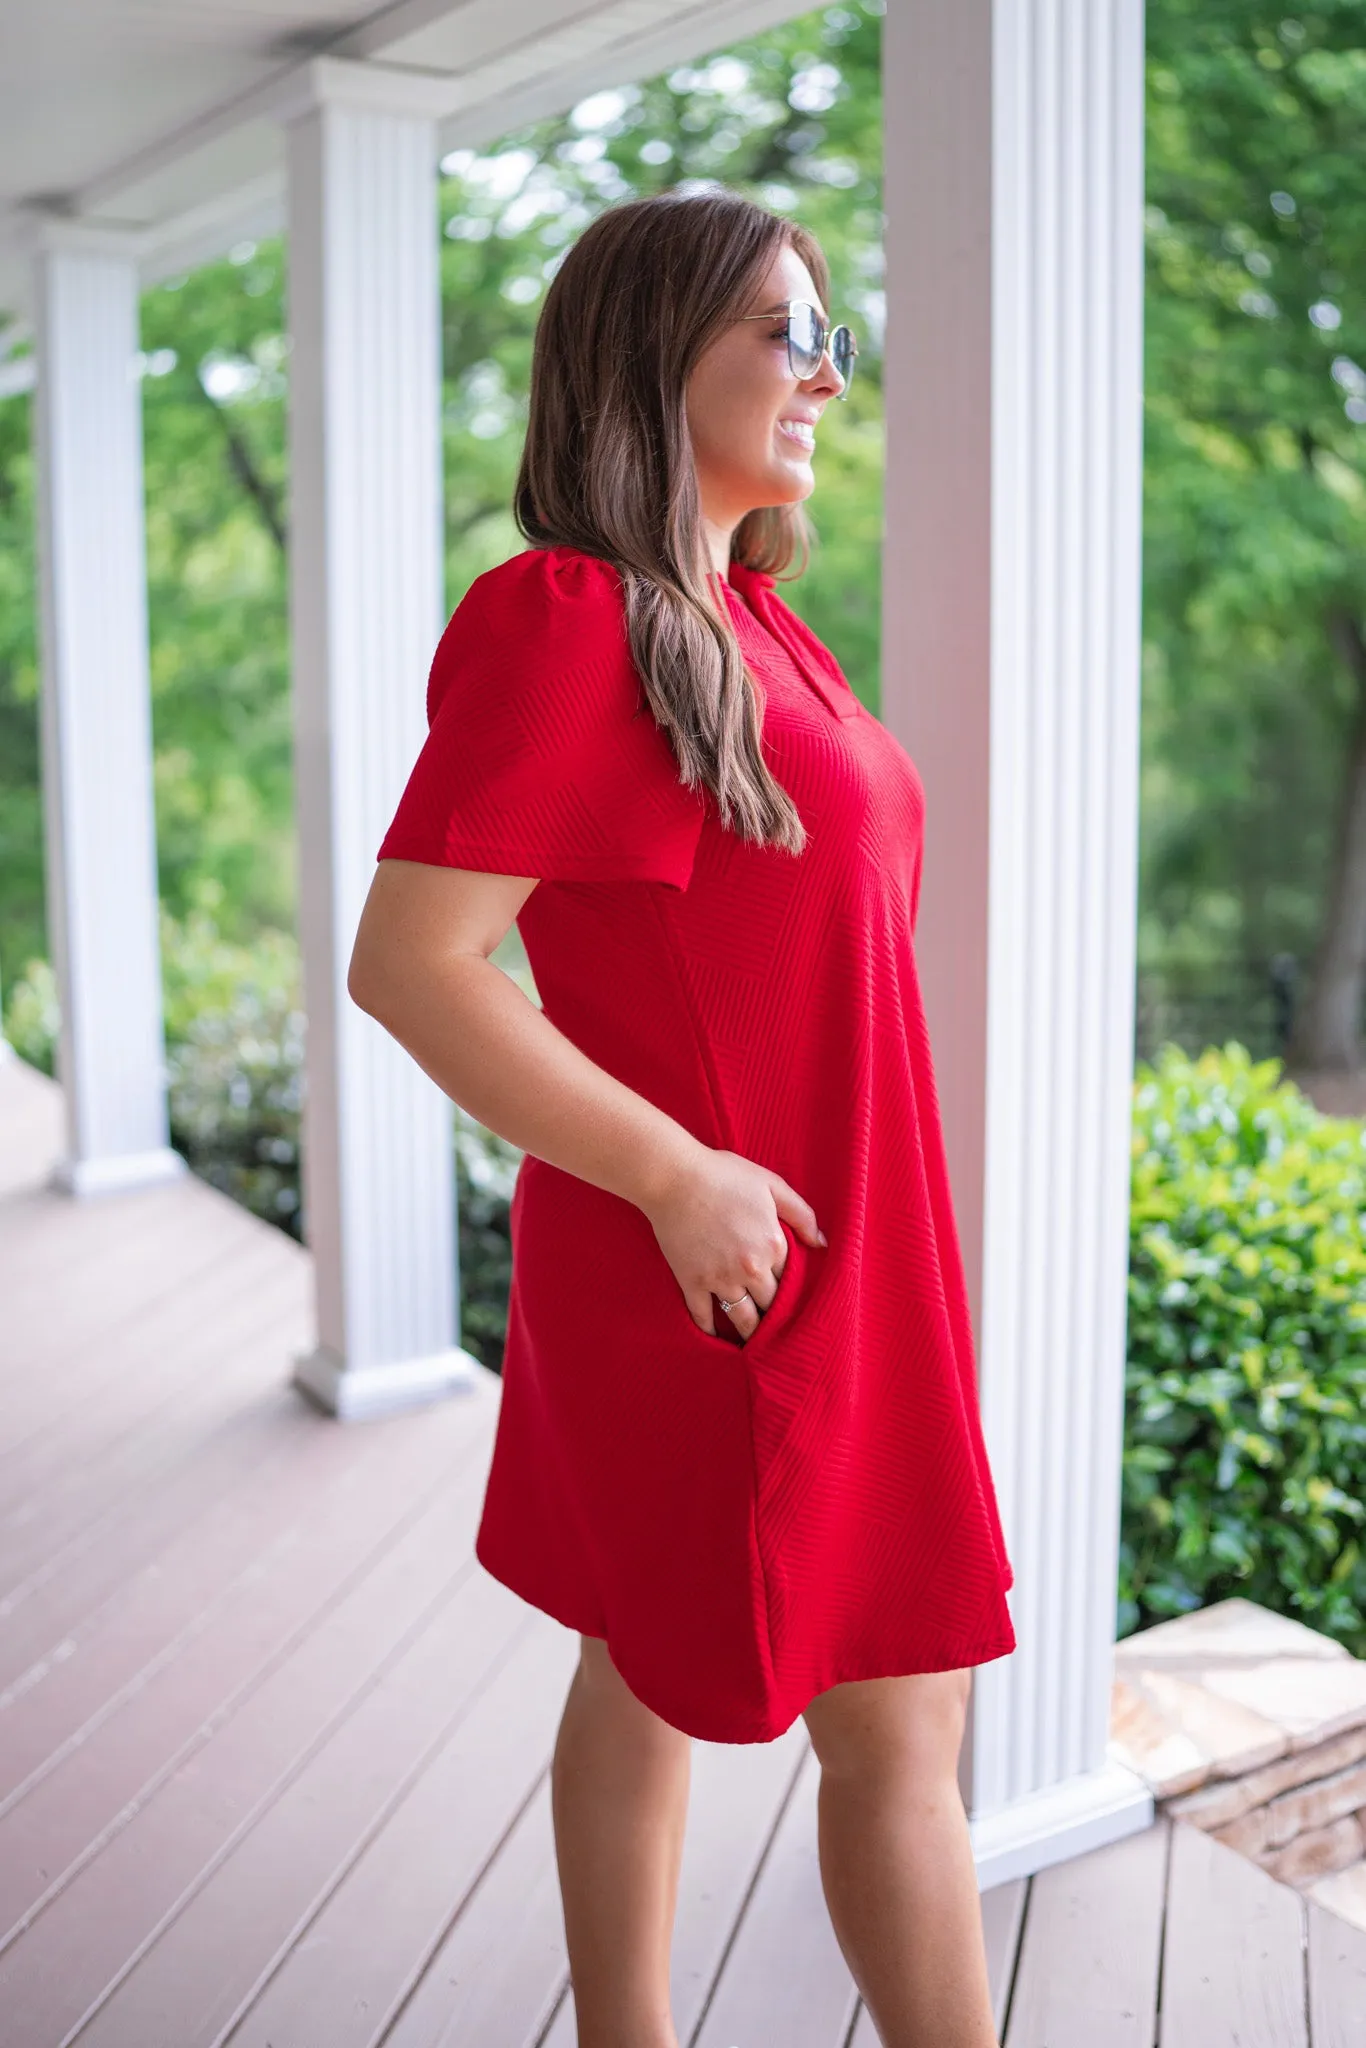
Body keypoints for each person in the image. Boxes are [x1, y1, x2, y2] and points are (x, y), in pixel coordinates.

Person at [349, 187, 1015, 2048]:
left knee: (650, 1664)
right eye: (784, 334)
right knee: (889, 1710)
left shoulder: (751, 619)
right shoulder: (573, 618)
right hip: (721, 1248)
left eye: (834, 338)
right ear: (657, 356)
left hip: (823, 1233)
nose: (824, 374)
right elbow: (415, 964)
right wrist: (678, 1170)